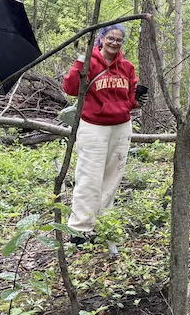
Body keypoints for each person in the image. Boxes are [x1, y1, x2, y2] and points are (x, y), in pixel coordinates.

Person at [62, 24, 148, 244]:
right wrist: (82, 60)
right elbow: (70, 88)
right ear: (101, 38)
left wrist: (137, 101)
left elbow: (130, 100)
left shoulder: (127, 67)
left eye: (119, 40)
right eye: (110, 38)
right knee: (89, 176)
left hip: (121, 127)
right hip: (93, 126)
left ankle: (102, 223)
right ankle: (79, 229)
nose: (114, 43)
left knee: (113, 176)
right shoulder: (89, 63)